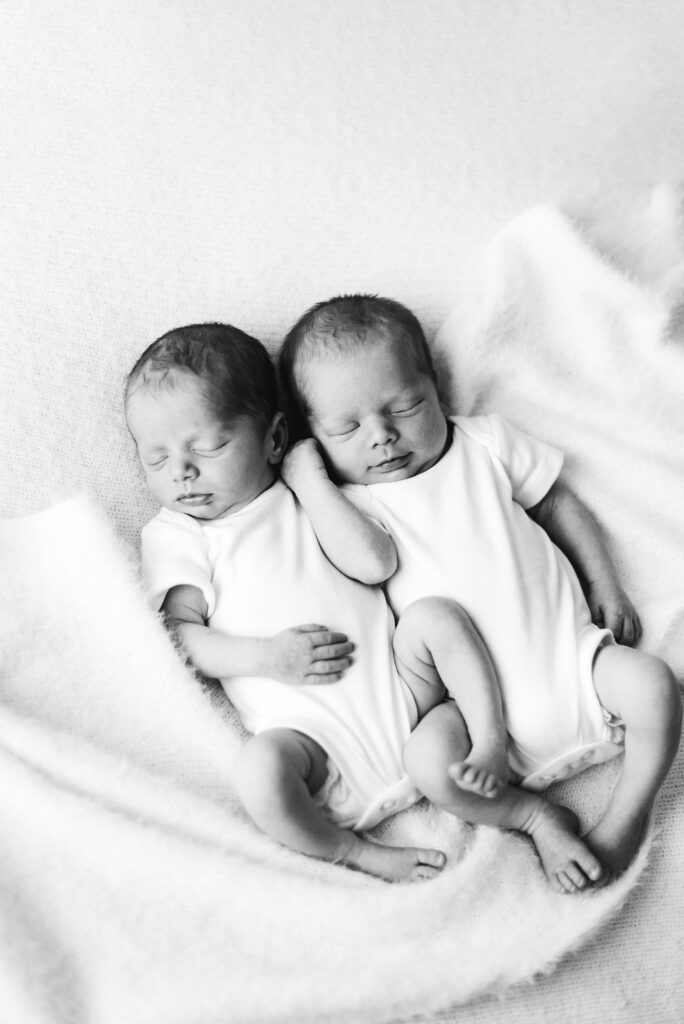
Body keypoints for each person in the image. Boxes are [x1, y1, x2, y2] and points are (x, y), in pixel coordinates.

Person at [279, 294, 682, 887]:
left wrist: (605, 583)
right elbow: (369, 564)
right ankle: (535, 818)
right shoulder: (352, 506)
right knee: (425, 763)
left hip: (573, 665)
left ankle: (627, 817)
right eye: (347, 428)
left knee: (655, 686)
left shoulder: (483, 444)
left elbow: (557, 502)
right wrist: (309, 479)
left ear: (437, 387)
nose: (383, 435)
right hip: (471, 726)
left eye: (406, 405)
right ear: (312, 437)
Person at [126, 322, 522, 884]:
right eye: (154, 459)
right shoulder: (181, 536)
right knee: (260, 771)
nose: (181, 472)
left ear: (273, 437)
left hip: (409, 698)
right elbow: (182, 635)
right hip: (314, 746)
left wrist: (308, 480)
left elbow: (374, 563)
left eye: (208, 445)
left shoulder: (309, 489)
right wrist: (267, 658)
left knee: (436, 618)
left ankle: (490, 743)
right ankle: (350, 851)